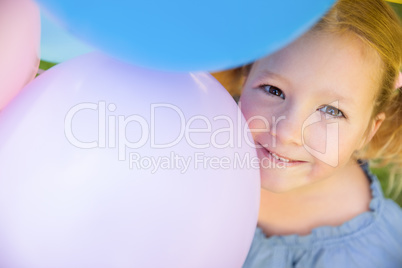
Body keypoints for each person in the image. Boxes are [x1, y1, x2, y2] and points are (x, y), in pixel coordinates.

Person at [234, 0, 402, 266]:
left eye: (332, 111)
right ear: (245, 78)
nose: (287, 132)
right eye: (273, 90)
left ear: (368, 131)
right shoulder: (190, 153)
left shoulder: (376, 256)